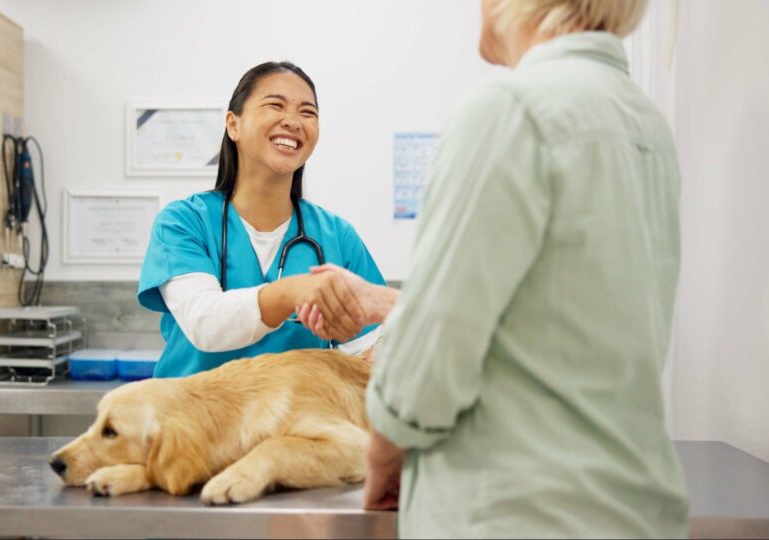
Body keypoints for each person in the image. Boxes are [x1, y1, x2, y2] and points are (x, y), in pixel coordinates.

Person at [297, 0, 690, 536]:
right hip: (628, 505)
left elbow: (435, 351)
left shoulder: (510, 110)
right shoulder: (644, 122)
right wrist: (385, 303)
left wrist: (386, 446)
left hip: (514, 511)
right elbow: (551, 321)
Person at [138, 61, 385, 378]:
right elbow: (205, 323)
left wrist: (380, 355)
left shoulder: (336, 235)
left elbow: (365, 346)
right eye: (275, 105)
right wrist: (293, 292)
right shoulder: (184, 223)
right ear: (233, 125)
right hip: (194, 423)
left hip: (293, 424)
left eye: (307, 112)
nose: (293, 122)